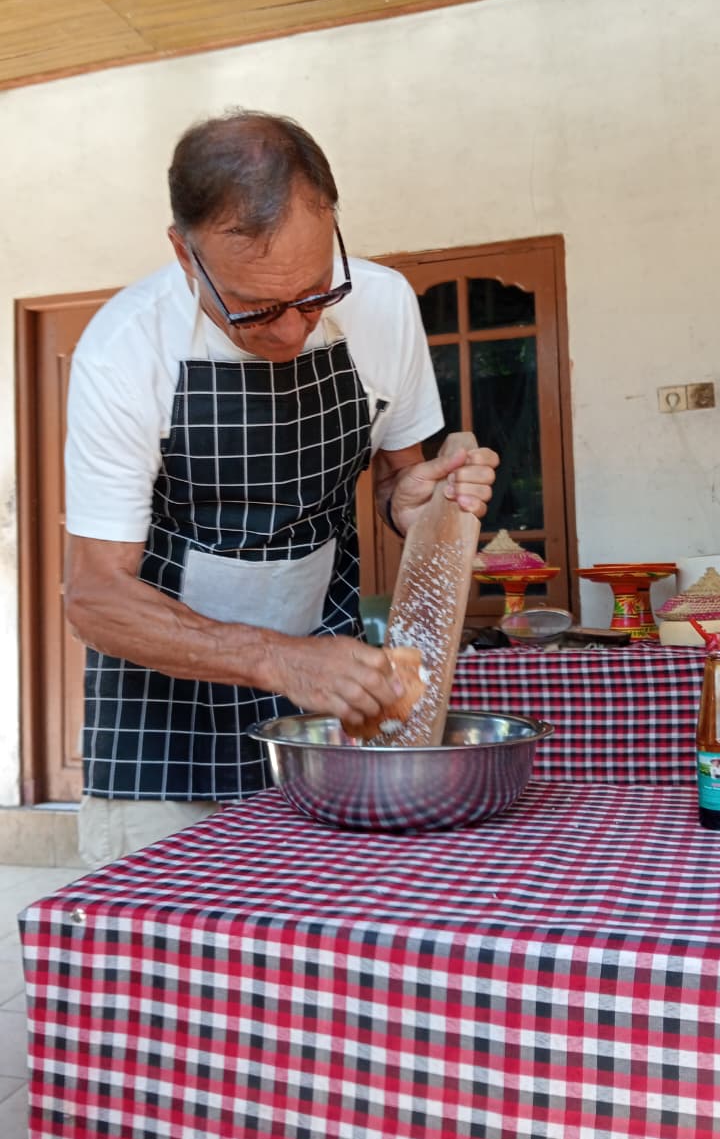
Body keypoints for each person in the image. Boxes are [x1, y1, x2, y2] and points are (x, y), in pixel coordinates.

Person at [64, 109, 499, 866]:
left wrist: (418, 509)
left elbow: (405, 484)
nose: (293, 331)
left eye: (314, 295)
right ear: (184, 252)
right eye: (255, 309)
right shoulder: (123, 349)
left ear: (332, 224)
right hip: (162, 717)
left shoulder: (384, 303)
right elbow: (94, 596)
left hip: (327, 696)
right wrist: (278, 659)